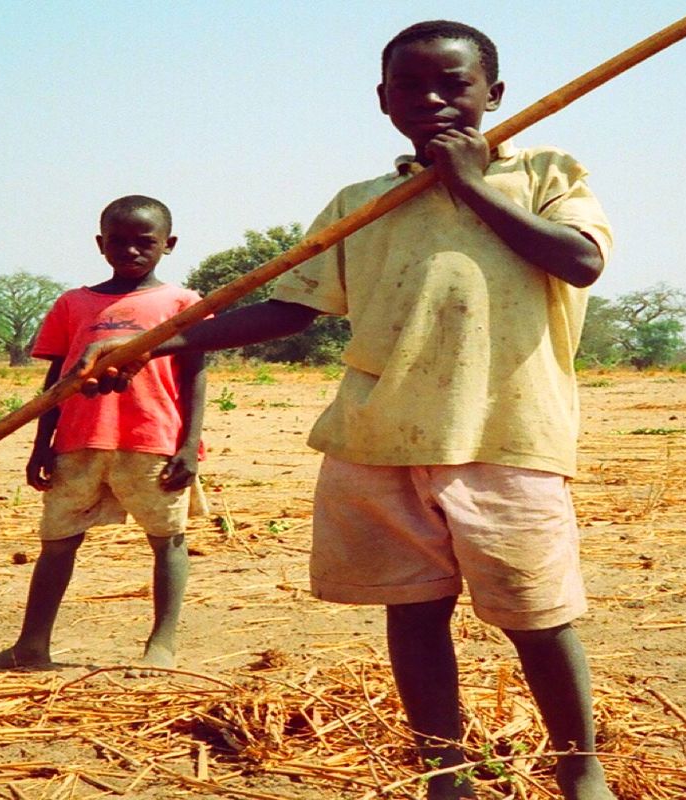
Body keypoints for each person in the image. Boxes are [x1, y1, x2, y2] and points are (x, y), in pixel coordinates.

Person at [76, 22, 616, 800]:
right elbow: (288, 311)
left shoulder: (546, 173)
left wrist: (467, 181)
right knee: (413, 610)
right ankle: (446, 770)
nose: (430, 100)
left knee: (537, 615)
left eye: (453, 85)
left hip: (507, 436)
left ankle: (581, 769)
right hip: (376, 438)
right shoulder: (361, 204)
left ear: (494, 95)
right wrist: (154, 344)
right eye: (409, 87)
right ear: (382, 101)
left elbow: (582, 259)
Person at [0, 195, 207, 675]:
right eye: (117, 242)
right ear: (100, 244)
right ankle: (31, 646)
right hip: (78, 439)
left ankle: (161, 646)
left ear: (169, 244)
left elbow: (195, 375)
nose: (130, 252)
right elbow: (56, 378)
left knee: (167, 537)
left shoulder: (182, 303)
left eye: (144, 242)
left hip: (154, 440)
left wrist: (189, 446)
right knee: (57, 541)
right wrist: (42, 442)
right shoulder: (73, 302)